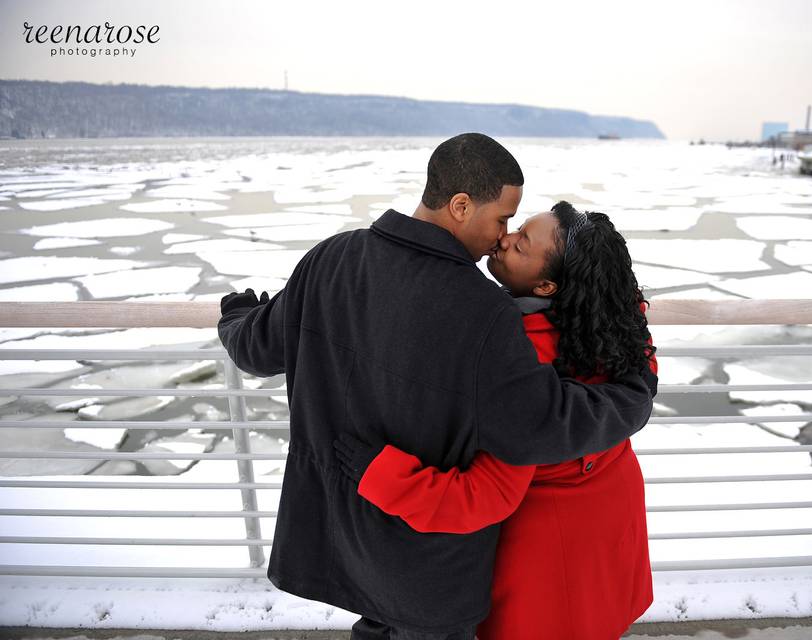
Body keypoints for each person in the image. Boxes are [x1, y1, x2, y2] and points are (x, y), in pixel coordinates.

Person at [217, 134, 657, 640]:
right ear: (461, 205)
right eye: (501, 220)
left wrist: (236, 315)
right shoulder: (484, 312)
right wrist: (634, 393)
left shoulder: (330, 259)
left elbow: (256, 348)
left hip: (343, 545)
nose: (501, 236)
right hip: (430, 571)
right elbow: (536, 424)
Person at [336, 202, 658, 639]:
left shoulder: (517, 360)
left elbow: (484, 496)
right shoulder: (613, 323)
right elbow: (639, 378)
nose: (504, 239)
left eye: (522, 243)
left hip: (548, 549)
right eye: (518, 227)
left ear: (546, 285)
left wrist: (378, 473)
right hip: (608, 517)